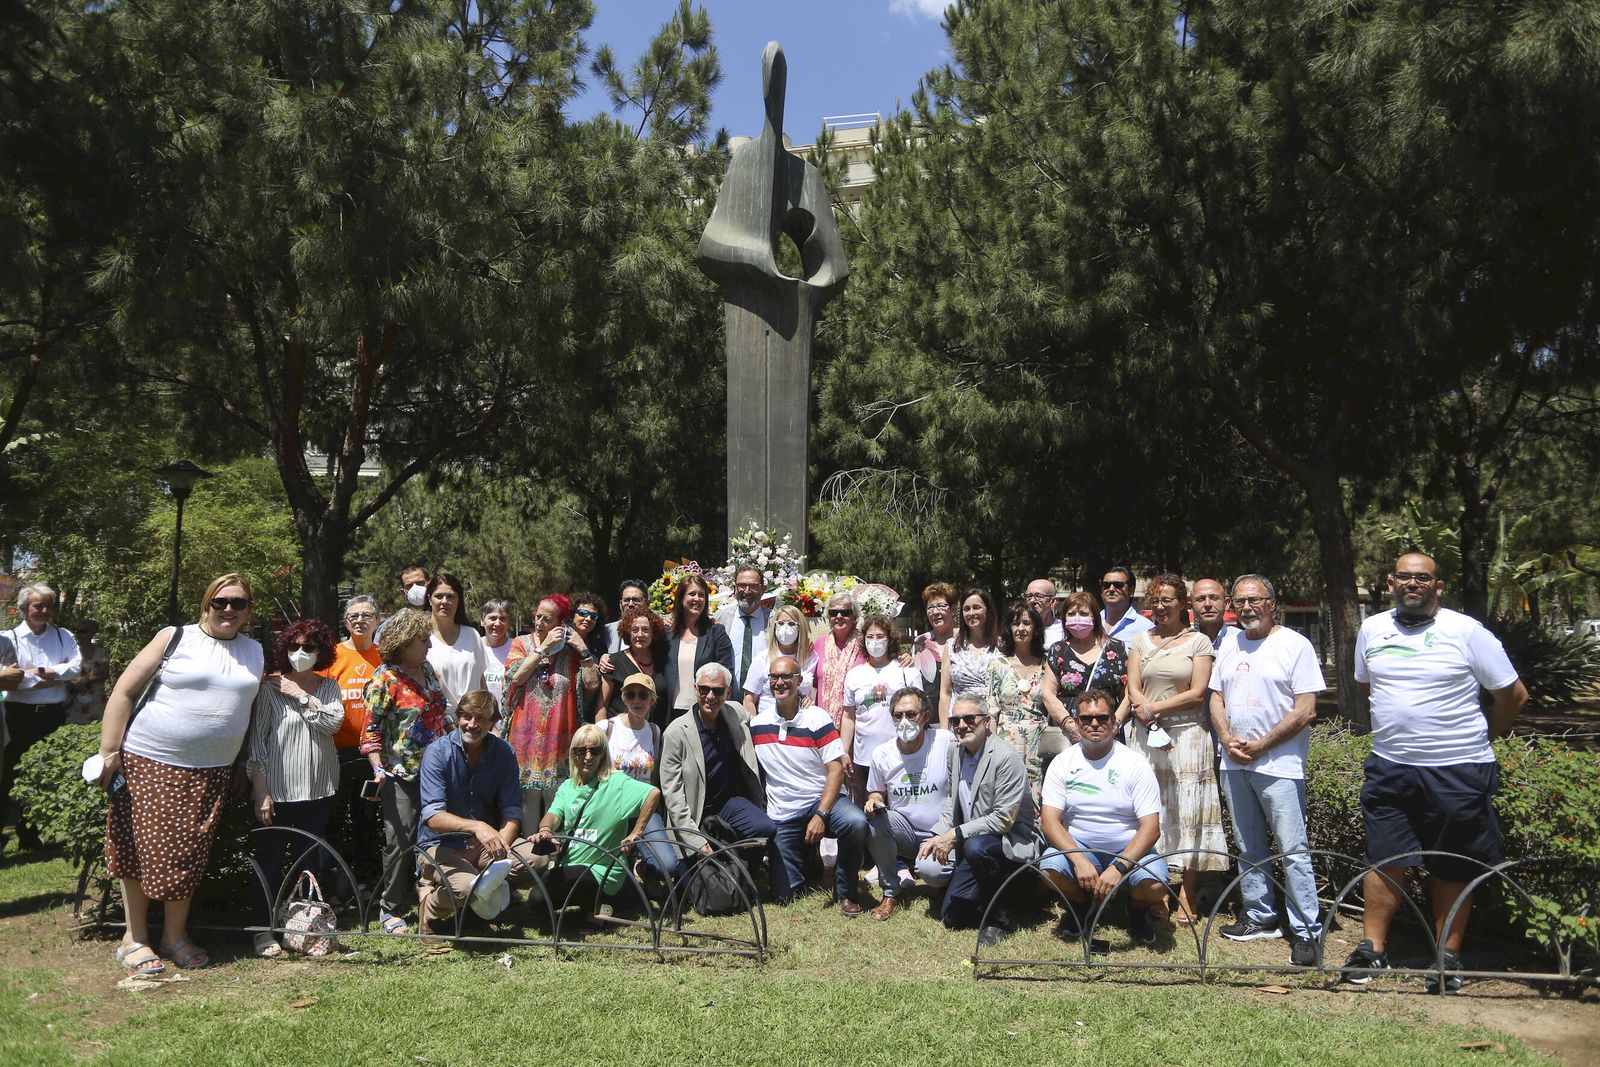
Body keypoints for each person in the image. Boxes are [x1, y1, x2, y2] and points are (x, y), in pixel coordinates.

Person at [1341, 552, 1528, 993]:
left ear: (1438, 586)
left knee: (1452, 864)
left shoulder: (1466, 632)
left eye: (1422, 578)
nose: (1412, 584)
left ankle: (1447, 957)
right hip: (1390, 767)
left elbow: (1513, 696)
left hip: (1457, 770)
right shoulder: (1372, 629)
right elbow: (1368, 686)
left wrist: (1482, 739)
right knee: (1386, 860)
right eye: (1404, 577)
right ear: (1390, 583)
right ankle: (1373, 950)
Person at [97, 573, 263, 974]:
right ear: (206, 603)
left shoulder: (255, 650)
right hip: (150, 760)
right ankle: (133, 939)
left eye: (237, 603)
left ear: (248, 610)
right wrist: (108, 751)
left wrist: (243, 763)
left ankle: (174, 936)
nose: (228, 610)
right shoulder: (175, 637)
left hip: (212, 772)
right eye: (220, 601)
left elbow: (248, 711)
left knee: (189, 853)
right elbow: (124, 690)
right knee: (140, 846)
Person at [1209, 575, 1325, 966]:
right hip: (1234, 762)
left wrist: (1261, 746)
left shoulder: (1295, 645)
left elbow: (1306, 709)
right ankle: (1259, 916)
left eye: (1254, 600)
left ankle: (1307, 929)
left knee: (1293, 850)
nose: (1246, 607)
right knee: (1248, 846)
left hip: (1280, 765)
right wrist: (1226, 738)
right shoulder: (1229, 643)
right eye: (1239, 601)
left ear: (1272, 603)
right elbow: (1216, 696)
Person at [1126, 574, 1228, 923]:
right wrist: (1144, 710)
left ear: (1183, 603)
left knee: (1187, 815)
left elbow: (1198, 692)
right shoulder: (1141, 640)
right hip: (1146, 737)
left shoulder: (1198, 642)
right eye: (1155, 599)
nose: (1161, 606)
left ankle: (1186, 893)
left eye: (1168, 599)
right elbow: (1133, 686)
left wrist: (1155, 709)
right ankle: (1157, 889)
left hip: (1186, 738)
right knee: (1151, 812)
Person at [1039, 688, 1170, 946]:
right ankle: (1079, 903)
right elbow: (1050, 821)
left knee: (1155, 885)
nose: (1095, 723)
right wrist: (1078, 860)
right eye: (1087, 718)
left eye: (1102, 717)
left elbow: (1151, 828)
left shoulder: (1135, 764)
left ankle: (1136, 908)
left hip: (1128, 850)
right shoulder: (1063, 763)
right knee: (1048, 869)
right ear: (1076, 722)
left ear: (1114, 722)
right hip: (1081, 848)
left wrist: (1119, 867)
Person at [246, 620, 344, 958]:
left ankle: (304, 929)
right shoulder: (270, 689)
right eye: (293, 647)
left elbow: (332, 723)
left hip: (319, 791)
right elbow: (258, 745)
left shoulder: (329, 687)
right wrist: (261, 791)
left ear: (321, 652)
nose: (299, 654)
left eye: (308, 648)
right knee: (269, 863)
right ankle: (262, 929)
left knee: (310, 864)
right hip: (279, 792)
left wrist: (300, 695)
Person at [415, 690, 544, 936]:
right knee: (466, 888)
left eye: (480, 718)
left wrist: (500, 850)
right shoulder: (438, 752)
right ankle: (429, 907)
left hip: (484, 846)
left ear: (492, 722)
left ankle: (475, 909)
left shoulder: (503, 752)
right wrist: (476, 826)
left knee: (536, 858)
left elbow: (512, 811)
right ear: (458, 717)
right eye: (466, 716)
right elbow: (432, 816)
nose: (472, 724)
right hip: (441, 844)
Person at [750, 655, 869, 912]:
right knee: (785, 897)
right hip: (783, 813)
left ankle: (846, 889)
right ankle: (810, 859)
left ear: (799, 681)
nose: (779, 682)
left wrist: (821, 814)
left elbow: (835, 769)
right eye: (774, 677)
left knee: (856, 823)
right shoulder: (757, 725)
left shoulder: (816, 718)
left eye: (786, 677)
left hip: (821, 800)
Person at [919, 694, 1038, 945]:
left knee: (976, 847)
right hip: (975, 842)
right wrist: (939, 835)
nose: (962, 725)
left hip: (1010, 840)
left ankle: (998, 920)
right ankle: (999, 894)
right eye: (955, 720)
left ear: (987, 721)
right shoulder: (955, 751)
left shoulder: (1005, 757)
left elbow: (1004, 819)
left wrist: (955, 834)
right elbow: (952, 799)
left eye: (969, 718)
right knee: (952, 918)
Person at [361, 607, 450, 936]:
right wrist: (378, 769)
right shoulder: (385, 678)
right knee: (400, 842)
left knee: (441, 838)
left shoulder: (426, 668)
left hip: (439, 770)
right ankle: (391, 907)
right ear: (403, 642)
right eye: (422, 639)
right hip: (401, 774)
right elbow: (369, 733)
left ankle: (436, 900)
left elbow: (442, 713)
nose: (429, 644)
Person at [532, 723, 663, 916]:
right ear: (573, 753)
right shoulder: (568, 786)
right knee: (537, 902)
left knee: (557, 885)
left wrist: (636, 832)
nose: (587, 757)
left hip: (603, 869)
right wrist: (545, 830)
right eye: (581, 751)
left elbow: (653, 793)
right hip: (571, 865)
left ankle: (595, 911)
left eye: (594, 751)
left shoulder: (616, 783)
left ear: (603, 753)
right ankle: (601, 906)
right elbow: (554, 814)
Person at [660, 666, 772, 863]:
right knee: (692, 881)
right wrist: (695, 841)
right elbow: (673, 796)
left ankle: (741, 870)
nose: (710, 696)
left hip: (728, 804)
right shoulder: (676, 733)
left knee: (765, 828)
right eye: (704, 689)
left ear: (728, 692)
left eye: (718, 691)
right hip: (694, 811)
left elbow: (762, 722)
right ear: (695, 689)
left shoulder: (735, 713)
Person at [503, 595, 597, 824]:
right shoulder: (521, 643)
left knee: (556, 796)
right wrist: (542, 649)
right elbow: (516, 677)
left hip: (560, 740)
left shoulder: (570, 652)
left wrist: (582, 648)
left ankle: (553, 853)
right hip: (526, 738)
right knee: (527, 798)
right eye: (538, 616)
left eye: (547, 619)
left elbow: (592, 684)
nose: (539, 623)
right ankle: (528, 852)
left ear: (560, 623)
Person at [3, 583, 82, 852]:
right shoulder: (7, 638)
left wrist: (34, 672)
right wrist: (48, 677)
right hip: (19, 716)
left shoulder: (63, 636)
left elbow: (75, 668)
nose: (45, 610)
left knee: (46, 774)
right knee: (11, 774)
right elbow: (6, 677)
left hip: (53, 714)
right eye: (39, 605)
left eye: (49, 605)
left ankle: (32, 835)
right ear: (24, 608)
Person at [863, 688, 953, 920]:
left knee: (932, 873)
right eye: (898, 715)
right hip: (905, 832)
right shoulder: (882, 754)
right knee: (875, 820)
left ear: (925, 716)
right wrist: (874, 801)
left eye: (911, 714)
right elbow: (876, 792)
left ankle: (946, 882)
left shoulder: (945, 741)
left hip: (941, 832)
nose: (904, 721)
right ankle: (891, 890)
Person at [320, 595, 384, 897]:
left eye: (367, 615)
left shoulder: (383, 656)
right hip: (335, 751)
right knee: (332, 819)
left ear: (378, 620)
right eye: (354, 615)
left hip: (371, 754)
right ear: (346, 621)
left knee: (367, 820)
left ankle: (368, 883)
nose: (360, 620)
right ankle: (332, 885)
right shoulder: (332, 656)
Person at [600, 671, 680, 884]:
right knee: (605, 867)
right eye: (632, 695)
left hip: (643, 806)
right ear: (624, 699)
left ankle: (641, 866)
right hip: (611, 806)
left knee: (668, 866)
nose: (637, 700)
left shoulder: (654, 732)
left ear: (652, 701)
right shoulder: (607, 728)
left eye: (643, 695)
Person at [841, 615, 923, 804]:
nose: (875, 642)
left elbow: (920, 712)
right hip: (864, 760)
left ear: (890, 639)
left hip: (901, 755)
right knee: (867, 809)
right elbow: (848, 715)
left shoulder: (906, 671)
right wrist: (844, 751)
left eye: (880, 636)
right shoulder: (854, 675)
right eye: (870, 637)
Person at [1042, 591, 1131, 752]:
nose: (1077, 618)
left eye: (1083, 613)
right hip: (1068, 737)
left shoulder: (1116, 649)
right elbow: (1048, 693)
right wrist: (1070, 725)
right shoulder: (1058, 650)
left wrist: (1115, 724)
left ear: (1095, 617)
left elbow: (1128, 694)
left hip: (1108, 734)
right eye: (1071, 614)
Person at [988, 600, 1050, 801]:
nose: (1021, 629)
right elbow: (991, 710)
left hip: (1040, 743)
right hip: (1006, 740)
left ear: (1036, 628)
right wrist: (990, 750)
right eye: (1015, 623)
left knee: (1039, 799)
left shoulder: (1047, 662)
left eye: (1026, 623)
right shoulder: (998, 664)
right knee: (1008, 798)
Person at [663, 573, 734, 720]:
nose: (697, 599)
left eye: (701, 595)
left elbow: (726, 673)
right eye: (692, 594)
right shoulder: (667, 633)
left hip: (705, 711)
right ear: (681, 598)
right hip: (670, 712)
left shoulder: (716, 633)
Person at [423, 572, 486, 716]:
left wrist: (490, 722)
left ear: (458, 600)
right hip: (436, 724)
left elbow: (480, 680)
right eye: (439, 596)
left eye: (450, 596)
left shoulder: (472, 635)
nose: (444, 601)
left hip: (473, 723)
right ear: (429, 599)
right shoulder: (421, 637)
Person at [938, 588, 1003, 727]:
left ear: (988, 610)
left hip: (992, 720)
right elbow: (945, 692)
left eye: (976, 607)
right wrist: (944, 730)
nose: (971, 613)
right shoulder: (951, 646)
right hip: (960, 721)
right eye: (966, 609)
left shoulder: (1002, 646)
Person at [742, 603, 817, 717]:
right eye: (781, 623)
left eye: (791, 624)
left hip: (802, 722)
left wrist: (811, 702)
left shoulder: (811, 657)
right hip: (768, 723)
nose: (785, 628)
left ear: (800, 627)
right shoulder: (763, 658)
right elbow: (749, 699)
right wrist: (754, 727)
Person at [600, 606, 668, 725]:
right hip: (620, 734)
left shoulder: (662, 661)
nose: (640, 635)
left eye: (645, 630)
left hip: (653, 734)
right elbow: (602, 705)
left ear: (653, 633)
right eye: (634, 630)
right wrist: (601, 736)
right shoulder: (613, 662)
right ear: (627, 633)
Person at [812, 593, 865, 732]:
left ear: (854, 617)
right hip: (823, 724)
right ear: (828, 617)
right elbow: (812, 681)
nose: (839, 616)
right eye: (833, 612)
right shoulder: (819, 644)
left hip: (857, 722)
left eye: (845, 612)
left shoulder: (865, 644)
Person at [720, 566, 771, 702]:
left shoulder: (774, 620)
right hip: (727, 701)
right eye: (742, 586)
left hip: (764, 702)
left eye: (753, 586)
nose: (747, 591)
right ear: (735, 588)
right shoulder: (722, 618)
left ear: (763, 589)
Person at [570, 592, 610, 723]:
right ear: (572, 614)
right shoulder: (560, 640)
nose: (588, 619)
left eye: (593, 616)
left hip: (587, 713)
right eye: (582, 613)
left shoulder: (599, 645)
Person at [913, 582, 958, 696]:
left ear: (952, 609)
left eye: (941, 606)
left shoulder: (964, 639)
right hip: (929, 707)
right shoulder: (921, 641)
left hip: (960, 707)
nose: (935, 612)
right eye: (930, 607)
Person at [65, 620, 110, 725]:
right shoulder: (70, 652)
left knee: (93, 730)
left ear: (92, 633)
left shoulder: (101, 652)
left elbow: (105, 674)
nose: (78, 634)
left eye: (83, 631)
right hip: (73, 698)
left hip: (95, 698)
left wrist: (86, 680)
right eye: (77, 631)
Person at [374, 565, 430, 642]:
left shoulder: (445, 617)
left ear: (430, 585)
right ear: (403, 592)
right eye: (409, 586)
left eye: (420, 583)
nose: (415, 588)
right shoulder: (392, 625)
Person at [1100, 565, 1154, 644]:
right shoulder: (1091, 623)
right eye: (1106, 585)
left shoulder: (1145, 628)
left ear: (1131, 591)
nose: (1111, 589)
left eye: (1118, 585)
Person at [479, 599, 514, 710]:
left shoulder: (517, 647)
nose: (497, 623)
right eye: (492, 618)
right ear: (482, 621)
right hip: (479, 718)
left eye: (503, 619)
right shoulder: (474, 646)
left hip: (508, 716)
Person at [1191, 578, 1239, 653]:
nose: (1207, 604)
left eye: (1214, 598)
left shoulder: (1240, 640)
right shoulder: (1183, 643)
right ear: (1191, 605)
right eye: (1200, 599)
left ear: (1226, 603)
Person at [605, 580, 649, 655]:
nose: (631, 604)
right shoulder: (607, 631)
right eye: (627, 600)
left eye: (636, 600)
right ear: (620, 604)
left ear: (647, 603)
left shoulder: (657, 630)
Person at [1026, 578, 1065, 648]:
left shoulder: (1064, 630)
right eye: (1029, 596)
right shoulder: (1020, 628)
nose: (1032, 601)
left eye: (1038, 596)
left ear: (1053, 601)